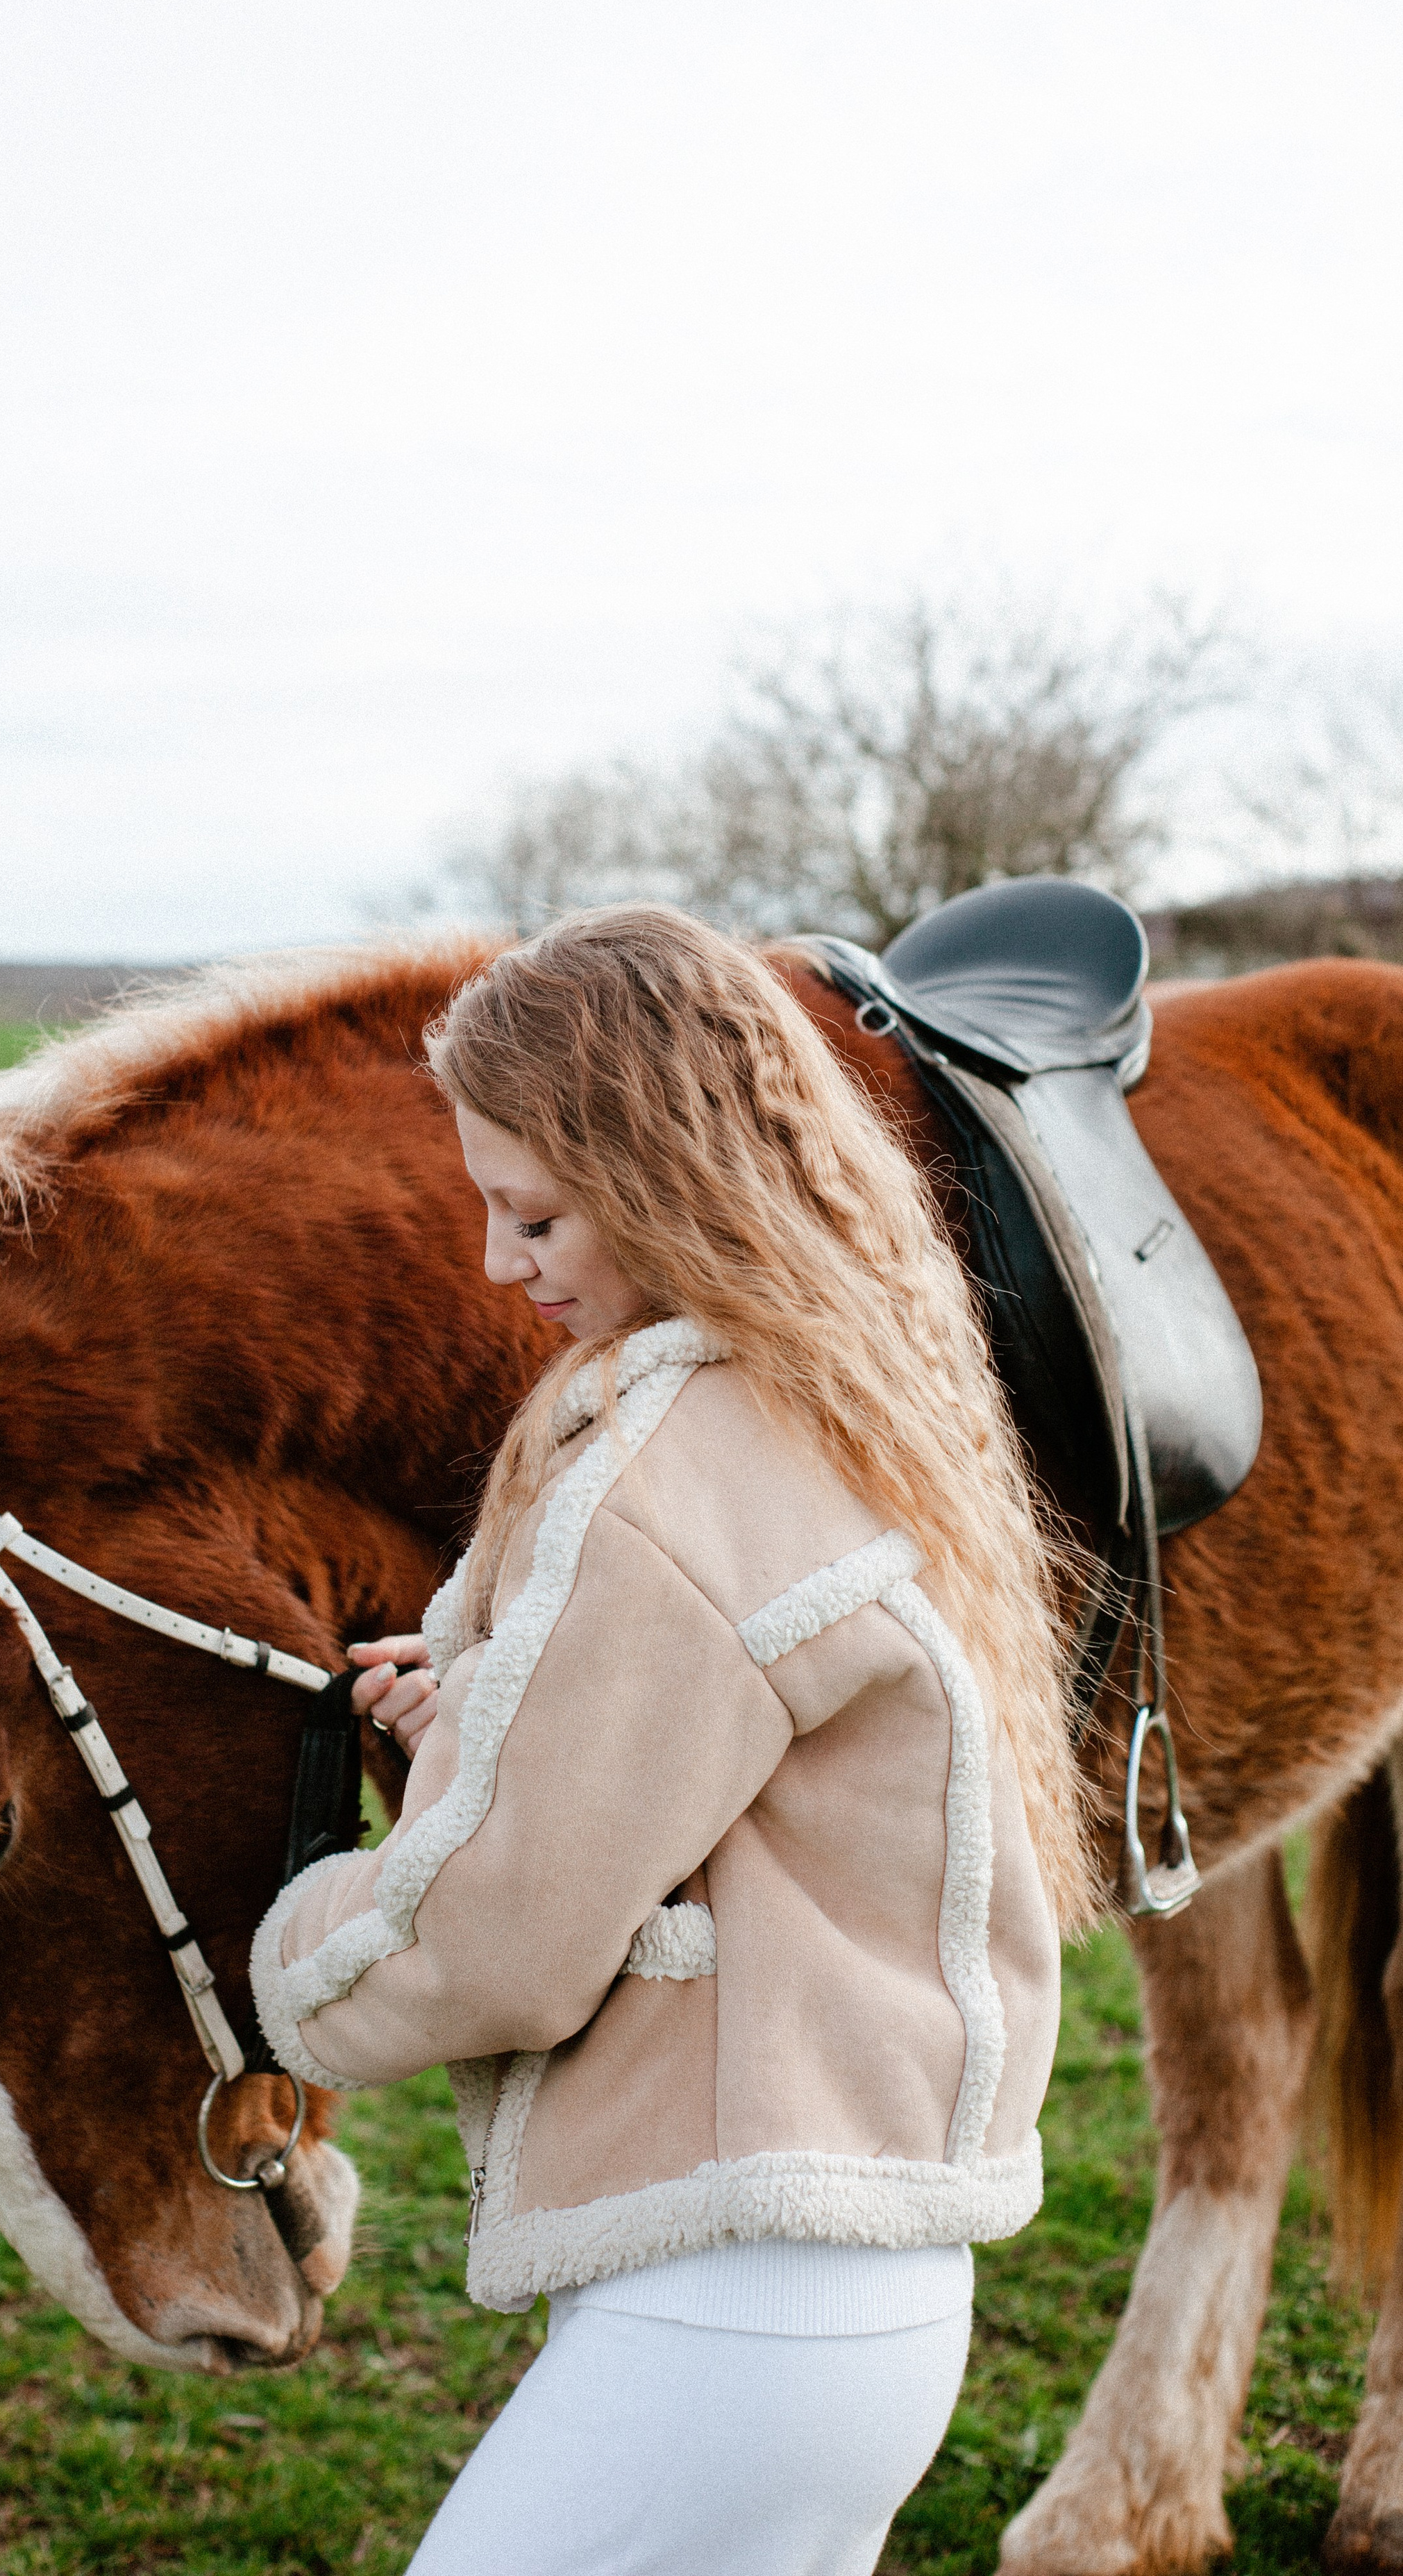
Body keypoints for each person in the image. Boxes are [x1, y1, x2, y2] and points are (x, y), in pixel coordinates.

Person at [249, 905, 1090, 2576]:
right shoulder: (850, 1398)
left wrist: (288, 1958)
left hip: (730, 2307)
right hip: (845, 2287)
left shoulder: (670, 1477)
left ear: (667, 1176)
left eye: (535, 1214)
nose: (501, 1266)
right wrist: (503, 1717)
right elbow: (745, 1793)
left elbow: (501, 1944)